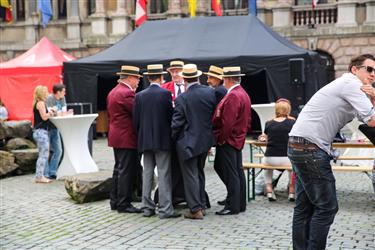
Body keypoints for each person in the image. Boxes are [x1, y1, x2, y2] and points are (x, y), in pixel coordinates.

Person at [288, 54, 375, 250]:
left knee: (304, 207)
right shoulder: (351, 84)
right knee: (327, 207)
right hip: (310, 149)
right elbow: (372, 120)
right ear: (355, 70)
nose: (373, 75)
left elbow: (369, 118)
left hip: (299, 144)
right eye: (369, 69)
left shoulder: (349, 86)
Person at [133, 64, 180, 219]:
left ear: (148, 77)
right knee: (163, 173)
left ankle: (147, 207)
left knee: (147, 173)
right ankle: (166, 209)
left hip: (145, 141)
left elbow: (136, 121)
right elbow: (170, 118)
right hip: (162, 140)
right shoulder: (165, 94)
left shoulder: (139, 96)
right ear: (160, 77)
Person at [171, 64, 217, 220]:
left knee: (190, 175)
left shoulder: (182, 98)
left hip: (188, 142)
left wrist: (173, 138)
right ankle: (201, 205)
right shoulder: (210, 93)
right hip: (205, 140)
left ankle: (195, 209)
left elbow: (177, 123)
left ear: (184, 79)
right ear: (198, 77)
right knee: (199, 172)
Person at [212, 66, 251, 215]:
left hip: (229, 139)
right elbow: (247, 120)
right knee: (236, 171)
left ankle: (233, 205)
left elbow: (227, 122)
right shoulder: (242, 93)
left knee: (231, 172)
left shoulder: (234, 95)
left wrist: (221, 139)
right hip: (236, 138)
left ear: (227, 79)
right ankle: (239, 202)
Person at [107, 65, 143, 214]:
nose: (138, 81)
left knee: (119, 169)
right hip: (126, 137)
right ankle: (123, 203)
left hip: (117, 136)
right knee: (126, 171)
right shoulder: (126, 93)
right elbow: (137, 114)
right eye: (137, 78)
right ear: (129, 78)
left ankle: (115, 200)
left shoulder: (114, 91)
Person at [258, 98, 295, 202]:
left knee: (266, 166)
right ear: (288, 109)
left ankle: (269, 189)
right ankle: (292, 191)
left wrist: (262, 138)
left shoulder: (269, 123)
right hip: (287, 158)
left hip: (270, 158)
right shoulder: (293, 122)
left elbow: (264, 137)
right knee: (293, 165)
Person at [32, 85, 54, 184]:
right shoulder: (41, 103)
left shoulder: (39, 103)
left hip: (39, 132)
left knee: (42, 154)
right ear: (41, 93)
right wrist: (51, 113)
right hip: (41, 132)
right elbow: (44, 117)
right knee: (43, 155)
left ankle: (39, 175)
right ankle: (39, 177)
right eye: (45, 91)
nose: (47, 93)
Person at [45, 84, 66, 179]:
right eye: (63, 91)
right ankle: (45, 173)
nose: (65, 93)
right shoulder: (49, 98)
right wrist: (58, 112)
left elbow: (64, 112)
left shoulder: (62, 98)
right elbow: (50, 113)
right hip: (47, 128)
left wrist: (57, 112)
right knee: (46, 151)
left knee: (58, 150)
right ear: (58, 92)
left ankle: (52, 171)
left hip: (56, 127)